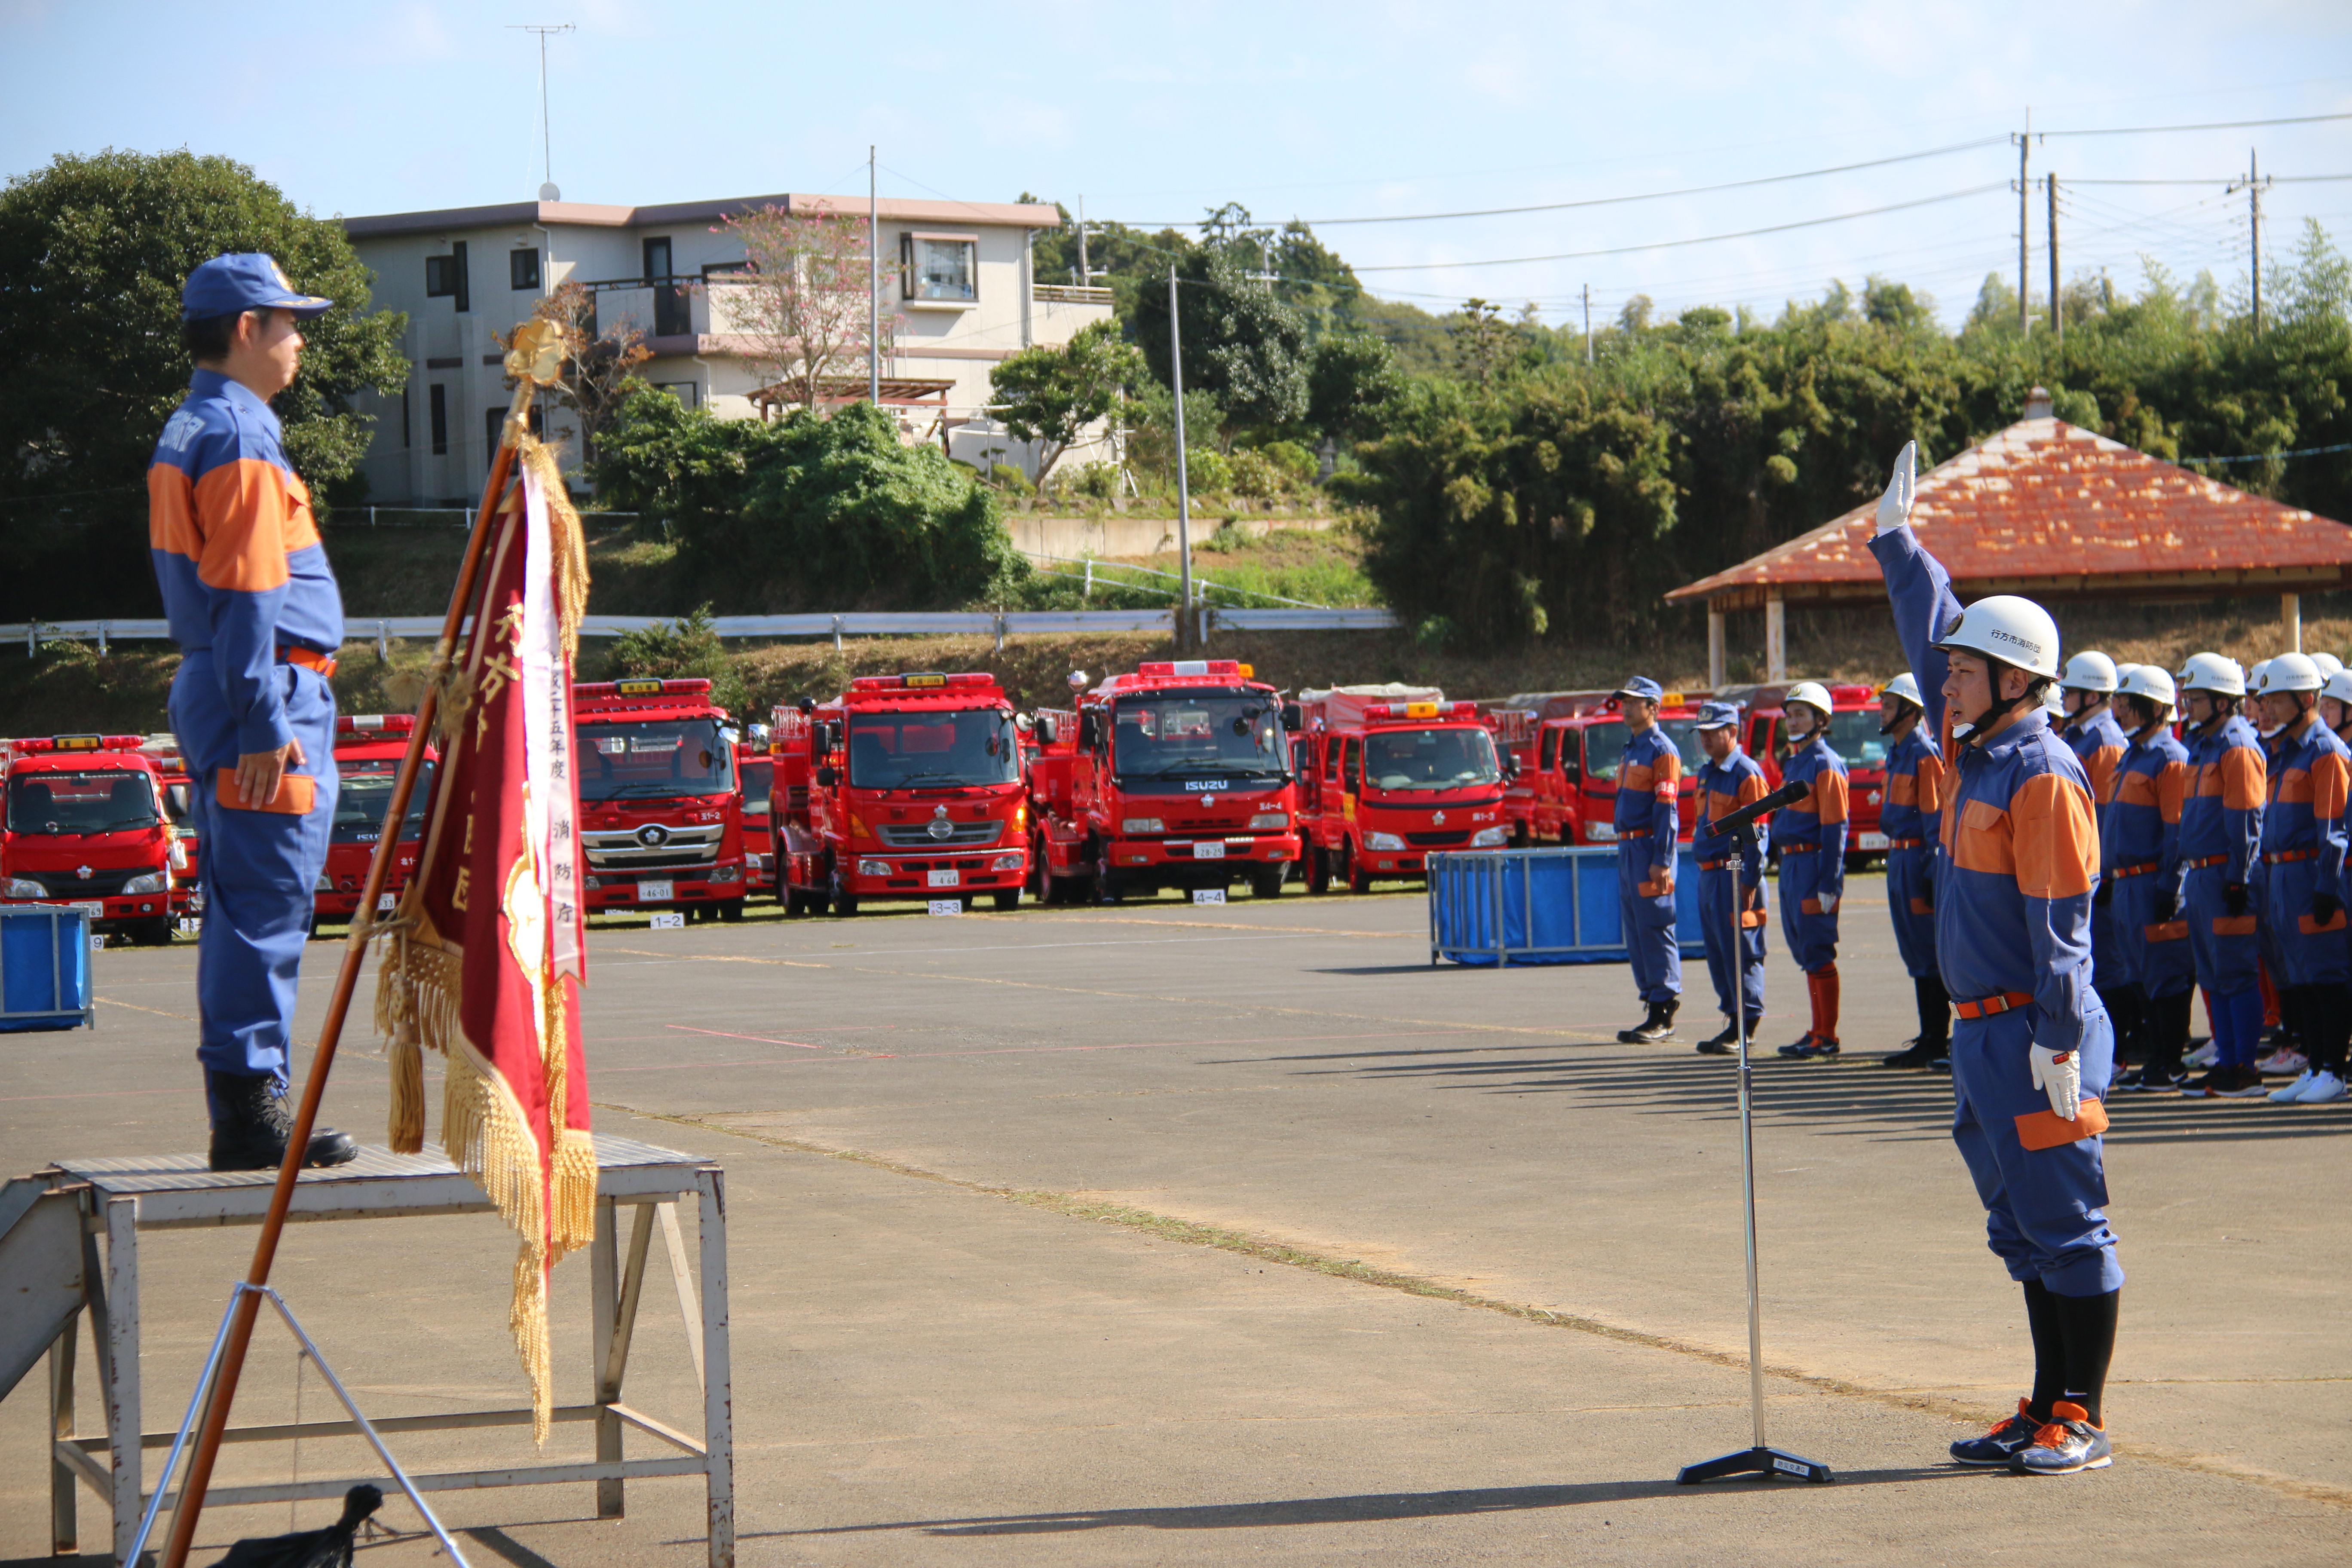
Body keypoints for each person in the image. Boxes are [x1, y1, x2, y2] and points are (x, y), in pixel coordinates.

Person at [1872, 440, 2122, 1478]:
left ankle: (2081, 1415)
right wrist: (1896, 543)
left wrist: (2059, 1047)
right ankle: (2039, 1402)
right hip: (1982, 1036)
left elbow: (2061, 926)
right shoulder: (1976, 747)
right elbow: (1935, 628)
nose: (1945, 676)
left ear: (2014, 680)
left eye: (1965, 670)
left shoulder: (2042, 776)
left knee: (2069, 1225)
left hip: (2033, 1032)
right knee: (2019, 1225)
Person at [150, 254, 357, 1172]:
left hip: (235, 685)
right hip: (262, 690)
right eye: (286, 321)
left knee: (248, 898)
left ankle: (247, 1103)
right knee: (267, 900)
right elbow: (245, 590)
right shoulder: (238, 434)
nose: (298, 338)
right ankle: (249, 1110)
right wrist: (268, 717)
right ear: (246, 330)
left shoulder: (194, 423)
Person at [2250, 656, 2351, 1105]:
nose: (2266, 708)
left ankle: (2334, 1069)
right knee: (2300, 976)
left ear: (2305, 700)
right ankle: (2313, 1066)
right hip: (2281, 875)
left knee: (2327, 975)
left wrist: (2326, 888)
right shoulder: (2285, 751)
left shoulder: (2327, 752)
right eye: (2265, 699)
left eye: (2276, 699)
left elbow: (2334, 829)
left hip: (2311, 874)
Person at [2172, 652, 2269, 1098]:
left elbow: (2247, 820)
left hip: (2224, 878)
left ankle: (2243, 1068)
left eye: (2196, 697)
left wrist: (2239, 878)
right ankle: (2226, 1060)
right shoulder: (2203, 745)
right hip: (2201, 877)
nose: (2187, 704)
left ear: (2223, 701)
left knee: (2234, 974)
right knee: (2212, 975)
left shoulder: (2238, 747)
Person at [2104, 666, 2197, 1092]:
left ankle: (2170, 1063)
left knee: (2166, 975)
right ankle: (2157, 1059)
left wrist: (2171, 886)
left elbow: (2177, 830)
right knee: (2138, 976)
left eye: (2128, 703)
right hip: (2126, 885)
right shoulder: (2133, 754)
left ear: (2156, 709)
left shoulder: (2170, 759)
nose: (2119, 710)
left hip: (2151, 885)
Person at [2061, 653, 2136, 1065]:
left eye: (2072, 692)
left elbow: (2103, 816)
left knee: (2107, 964)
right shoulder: (2083, 734)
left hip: (2095, 872)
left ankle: (2118, 1052)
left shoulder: (2104, 740)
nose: (2066, 699)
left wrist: (2100, 874)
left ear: (2092, 694)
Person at [1770, 681, 1848, 1059]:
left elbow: (1836, 826)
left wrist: (1829, 883)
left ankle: (1827, 1035)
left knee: (1818, 949)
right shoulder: (1795, 761)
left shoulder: (1824, 763)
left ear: (1821, 720)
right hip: (1791, 864)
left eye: (1801, 713)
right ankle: (1817, 1030)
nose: (1792, 720)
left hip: (1814, 864)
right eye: (1789, 713)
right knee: (1804, 950)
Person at [1877, 673, 1951, 1068]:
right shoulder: (1898, 750)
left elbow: (1934, 821)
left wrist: (1930, 872)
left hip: (1915, 861)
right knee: (1913, 950)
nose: (1883, 711)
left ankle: (1937, 1039)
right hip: (1897, 858)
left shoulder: (1923, 754)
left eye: (1889, 705)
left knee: (1927, 952)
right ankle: (1929, 1034)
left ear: (1910, 710)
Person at [1689, 700, 1768, 1054]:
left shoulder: (1746, 774)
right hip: (1709, 877)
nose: (1705, 739)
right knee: (1719, 952)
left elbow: (1758, 834)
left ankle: (1746, 1025)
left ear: (1733, 732)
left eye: (1712, 732)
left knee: (1742, 950)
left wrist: (1750, 881)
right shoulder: (1706, 773)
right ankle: (1732, 1018)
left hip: (1735, 875)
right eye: (1702, 733)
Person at [1611, 677, 1685, 1044]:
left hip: (1647, 851)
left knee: (1656, 927)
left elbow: (1666, 808)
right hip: (1627, 850)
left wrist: (1662, 857)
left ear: (1654, 708)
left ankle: (1664, 1010)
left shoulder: (1662, 750)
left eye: (1634, 702)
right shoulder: (1630, 749)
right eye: (1623, 701)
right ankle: (1651, 1003)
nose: (1625, 707)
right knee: (1637, 932)